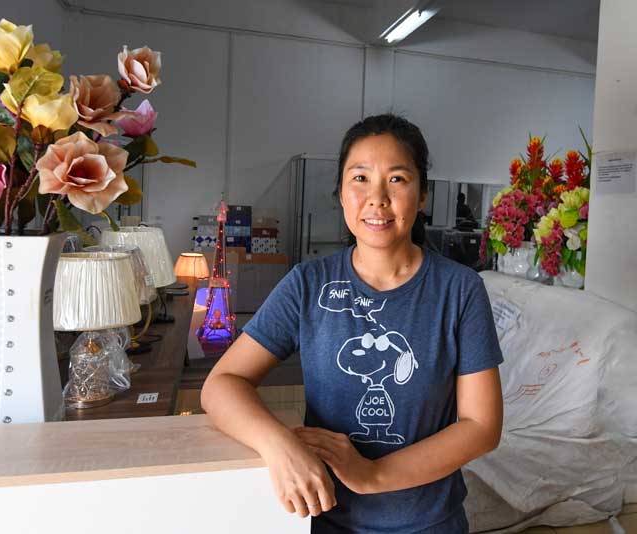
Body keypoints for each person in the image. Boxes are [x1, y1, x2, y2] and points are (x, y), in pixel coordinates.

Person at [201, 114, 503, 533]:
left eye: (397, 179)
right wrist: (278, 444)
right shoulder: (308, 285)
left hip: (430, 523)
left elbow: (481, 426)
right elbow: (221, 384)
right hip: (329, 520)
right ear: (341, 193)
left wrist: (373, 475)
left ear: (422, 195)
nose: (377, 198)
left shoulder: (460, 290)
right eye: (360, 178)